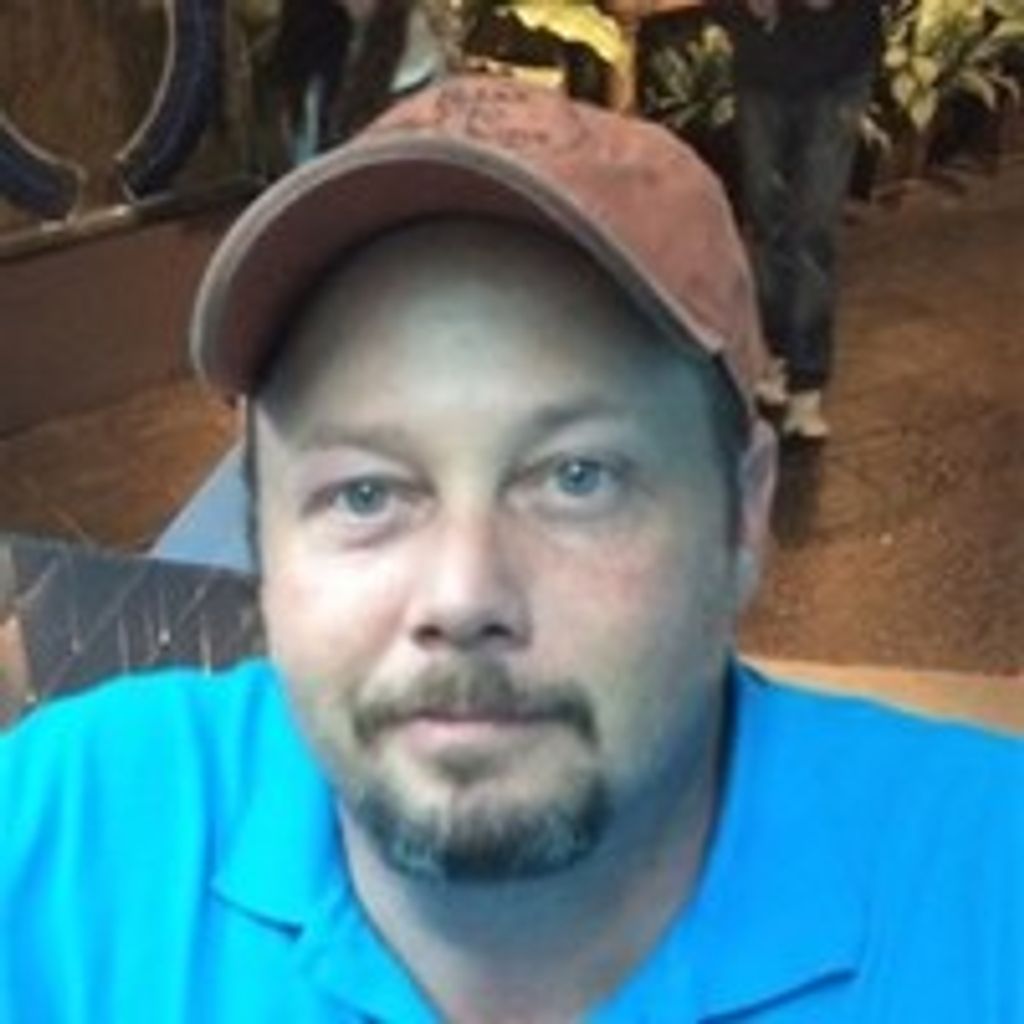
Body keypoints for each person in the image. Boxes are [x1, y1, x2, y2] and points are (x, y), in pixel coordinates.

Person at [1, 76, 1021, 1023]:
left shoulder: (985, 894)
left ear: (742, 512)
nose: (462, 594)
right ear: (263, 533)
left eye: (577, 478)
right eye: (365, 492)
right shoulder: (65, 833)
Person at [711, 0, 887, 440]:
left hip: (839, 65)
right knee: (765, 218)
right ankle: (774, 355)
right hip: (761, 63)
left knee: (813, 225)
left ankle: (807, 382)